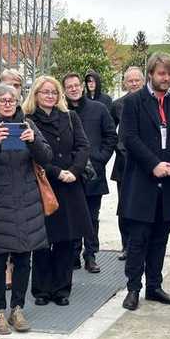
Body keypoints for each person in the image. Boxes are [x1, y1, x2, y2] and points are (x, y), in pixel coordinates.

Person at [0, 83, 52, 334]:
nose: (8, 104)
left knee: (23, 258)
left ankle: (17, 308)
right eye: (2, 100)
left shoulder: (28, 125)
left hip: (27, 202)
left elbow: (47, 157)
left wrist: (33, 142)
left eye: (12, 100)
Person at [120, 52, 170, 311]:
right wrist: (154, 164)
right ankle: (133, 288)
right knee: (138, 239)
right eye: (162, 73)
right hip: (142, 181)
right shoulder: (134, 102)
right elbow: (129, 138)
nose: (167, 78)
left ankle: (154, 285)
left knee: (160, 239)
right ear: (151, 73)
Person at [24, 75, 93, 306]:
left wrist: (74, 170)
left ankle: (62, 290)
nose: (50, 96)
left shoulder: (70, 117)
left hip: (70, 186)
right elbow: (32, 154)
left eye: (54, 92)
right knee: (43, 241)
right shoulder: (28, 120)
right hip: (43, 184)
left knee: (66, 241)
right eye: (45, 92)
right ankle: (42, 290)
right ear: (36, 95)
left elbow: (83, 146)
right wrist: (57, 172)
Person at [64, 72, 117, 273]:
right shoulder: (61, 111)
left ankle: (91, 255)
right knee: (72, 215)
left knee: (91, 217)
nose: (74, 89)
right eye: (69, 86)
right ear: (65, 89)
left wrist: (100, 158)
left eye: (77, 85)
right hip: (69, 173)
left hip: (93, 172)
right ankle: (73, 254)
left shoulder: (99, 109)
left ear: (83, 86)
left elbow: (111, 136)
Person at [111, 67, 145, 260]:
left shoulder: (150, 103)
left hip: (148, 165)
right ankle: (127, 246)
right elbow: (109, 132)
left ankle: (141, 245)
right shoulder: (117, 105)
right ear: (125, 83)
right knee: (124, 207)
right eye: (130, 81)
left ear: (143, 81)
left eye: (136, 80)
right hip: (124, 164)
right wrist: (120, 148)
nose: (133, 83)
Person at [0, 68, 25, 290]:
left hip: (24, 179)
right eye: (7, 85)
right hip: (1, 181)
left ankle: (19, 267)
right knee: (4, 230)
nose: (12, 91)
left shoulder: (26, 115)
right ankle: (6, 268)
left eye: (16, 86)